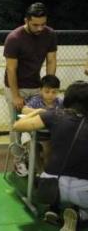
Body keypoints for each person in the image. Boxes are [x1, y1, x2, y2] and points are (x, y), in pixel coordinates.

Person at [13, 80, 88, 231]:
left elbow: (18, 126)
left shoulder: (55, 115)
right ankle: (80, 214)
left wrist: (38, 112)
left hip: (50, 187)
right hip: (83, 190)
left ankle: (53, 209)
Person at [3, 2, 57, 175]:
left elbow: (51, 60)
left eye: (43, 24)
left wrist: (48, 88)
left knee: (43, 122)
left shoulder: (50, 35)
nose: (40, 28)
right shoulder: (14, 38)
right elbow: (11, 69)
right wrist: (16, 95)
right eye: (35, 24)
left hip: (37, 85)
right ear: (26, 20)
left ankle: (38, 159)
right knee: (17, 125)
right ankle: (18, 161)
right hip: (15, 86)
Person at [13, 74, 63, 175]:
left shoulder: (59, 102)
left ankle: (48, 171)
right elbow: (24, 109)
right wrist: (40, 112)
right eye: (47, 92)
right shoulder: (36, 100)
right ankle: (40, 171)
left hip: (50, 135)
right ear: (41, 90)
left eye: (54, 92)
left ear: (58, 92)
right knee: (32, 147)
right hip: (33, 133)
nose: (50, 95)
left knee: (50, 147)